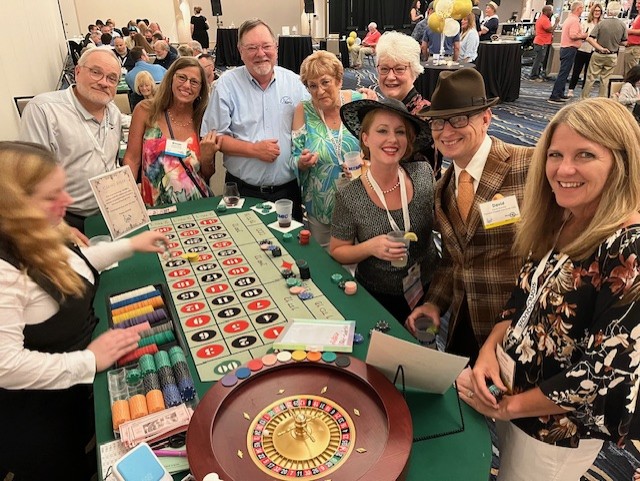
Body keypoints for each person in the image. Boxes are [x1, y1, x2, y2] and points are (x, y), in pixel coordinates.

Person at [456, 98, 640, 481]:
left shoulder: (628, 248)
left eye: (585, 154)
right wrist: (489, 351)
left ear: (621, 163)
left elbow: (602, 375)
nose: (563, 169)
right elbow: (520, 299)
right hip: (513, 396)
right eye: (555, 154)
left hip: (554, 431)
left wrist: (510, 407)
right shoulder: (562, 217)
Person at [0, 141, 169, 480]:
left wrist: (130, 245)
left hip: (74, 394)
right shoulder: (3, 272)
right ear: (14, 204)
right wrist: (89, 361)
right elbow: (6, 366)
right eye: (52, 196)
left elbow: (74, 265)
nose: (67, 201)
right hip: (38, 419)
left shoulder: (36, 230)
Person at [406, 68, 534, 362]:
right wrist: (434, 304)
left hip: (519, 327)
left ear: (486, 118)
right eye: (438, 122)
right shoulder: (443, 188)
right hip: (464, 323)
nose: (446, 131)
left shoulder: (529, 166)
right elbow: (454, 259)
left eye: (460, 119)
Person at [330, 98, 438, 323]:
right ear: (365, 138)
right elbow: (338, 251)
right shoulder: (349, 195)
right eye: (382, 130)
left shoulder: (423, 173)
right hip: (377, 296)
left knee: (425, 340)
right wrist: (370, 247)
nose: (392, 139)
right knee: (384, 344)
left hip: (428, 287)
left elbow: (437, 219)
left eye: (400, 132)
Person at [201, 19, 309, 221]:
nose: (261, 54)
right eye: (252, 48)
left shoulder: (295, 83)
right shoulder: (226, 85)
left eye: (266, 46)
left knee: (290, 241)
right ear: (240, 51)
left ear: (276, 48)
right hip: (242, 192)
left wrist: (352, 96)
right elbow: (215, 137)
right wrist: (254, 150)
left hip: (288, 192)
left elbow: (319, 113)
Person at [19, 49, 122, 233]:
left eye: (112, 78)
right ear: (77, 71)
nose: (103, 82)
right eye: (96, 72)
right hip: (68, 219)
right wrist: (57, 227)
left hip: (113, 211)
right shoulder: (44, 110)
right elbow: (33, 179)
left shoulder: (113, 112)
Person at [124, 57, 221, 206]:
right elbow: (132, 159)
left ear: (201, 89)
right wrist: (127, 196)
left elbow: (206, 174)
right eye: (182, 77)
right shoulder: (145, 111)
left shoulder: (203, 119)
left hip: (195, 206)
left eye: (194, 82)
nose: (187, 85)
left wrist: (207, 157)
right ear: (170, 78)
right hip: (154, 206)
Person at [291, 51, 364, 247]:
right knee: (326, 257)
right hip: (320, 204)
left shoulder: (357, 102)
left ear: (339, 81)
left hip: (361, 201)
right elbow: (294, 156)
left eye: (325, 82)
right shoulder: (303, 110)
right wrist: (301, 162)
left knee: (362, 254)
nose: (320, 91)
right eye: (312, 86)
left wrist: (365, 163)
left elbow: (376, 146)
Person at [359, 31, 439, 176]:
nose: (390, 77)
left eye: (399, 69)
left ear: (414, 72)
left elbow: (426, 176)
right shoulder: (382, 110)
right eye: (384, 69)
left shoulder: (426, 116)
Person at [581, 1, 627, 99]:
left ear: (608, 10)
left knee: (590, 78)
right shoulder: (622, 25)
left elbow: (590, 38)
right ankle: (601, 99)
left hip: (598, 54)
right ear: (618, 11)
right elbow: (624, 42)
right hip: (612, 55)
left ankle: (584, 98)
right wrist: (615, 42)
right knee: (605, 80)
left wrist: (600, 48)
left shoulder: (601, 23)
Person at [549, 1, 588, 104]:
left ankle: (560, 93)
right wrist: (583, 36)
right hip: (569, 48)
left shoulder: (569, 19)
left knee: (564, 72)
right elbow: (573, 35)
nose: (583, 10)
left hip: (566, 48)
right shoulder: (574, 20)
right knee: (563, 73)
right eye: (582, 8)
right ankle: (555, 95)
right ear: (578, 9)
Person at [567, 3, 602, 96]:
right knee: (576, 71)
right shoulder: (585, 23)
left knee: (589, 73)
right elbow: (581, 35)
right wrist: (586, 37)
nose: (597, 12)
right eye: (595, 10)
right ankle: (571, 89)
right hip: (582, 49)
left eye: (599, 11)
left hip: (594, 51)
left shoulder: (601, 24)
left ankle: (585, 91)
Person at [529, 5, 559, 81]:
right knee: (538, 60)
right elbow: (550, 30)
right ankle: (533, 76)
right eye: (551, 11)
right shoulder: (544, 19)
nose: (552, 12)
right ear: (546, 11)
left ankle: (537, 75)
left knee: (539, 60)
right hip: (541, 42)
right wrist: (556, 23)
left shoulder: (543, 19)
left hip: (541, 42)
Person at [624, 0, 640, 75]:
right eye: (636, 3)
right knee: (628, 72)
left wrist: (629, 31)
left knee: (631, 73)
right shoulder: (638, 16)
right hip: (630, 48)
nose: (637, 5)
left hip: (634, 48)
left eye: (639, 3)